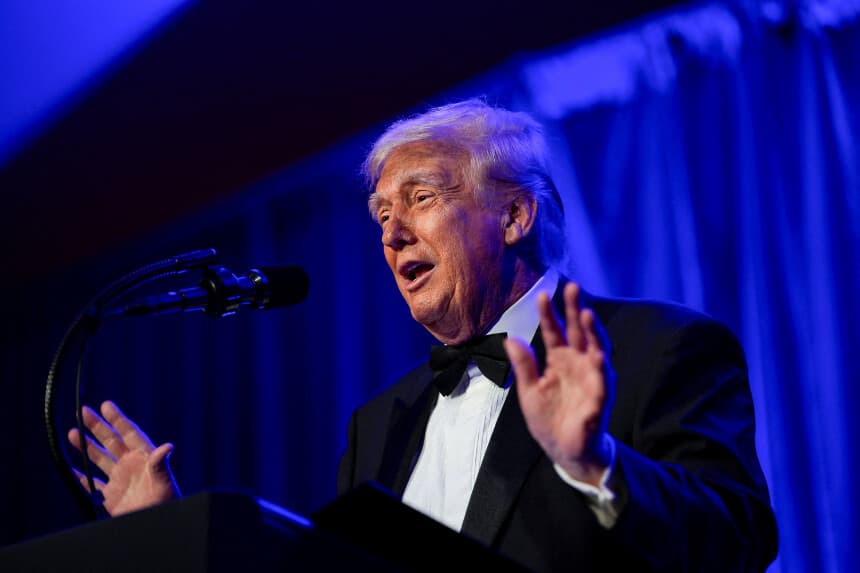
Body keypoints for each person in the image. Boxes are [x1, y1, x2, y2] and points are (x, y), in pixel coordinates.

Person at [69, 99, 778, 571]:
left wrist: (595, 463)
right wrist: (171, 539)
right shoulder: (379, 423)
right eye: (381, 215)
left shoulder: (665, 345)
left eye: (422, 198)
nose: (392, 232)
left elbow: (740, 541)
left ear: (515, 216)